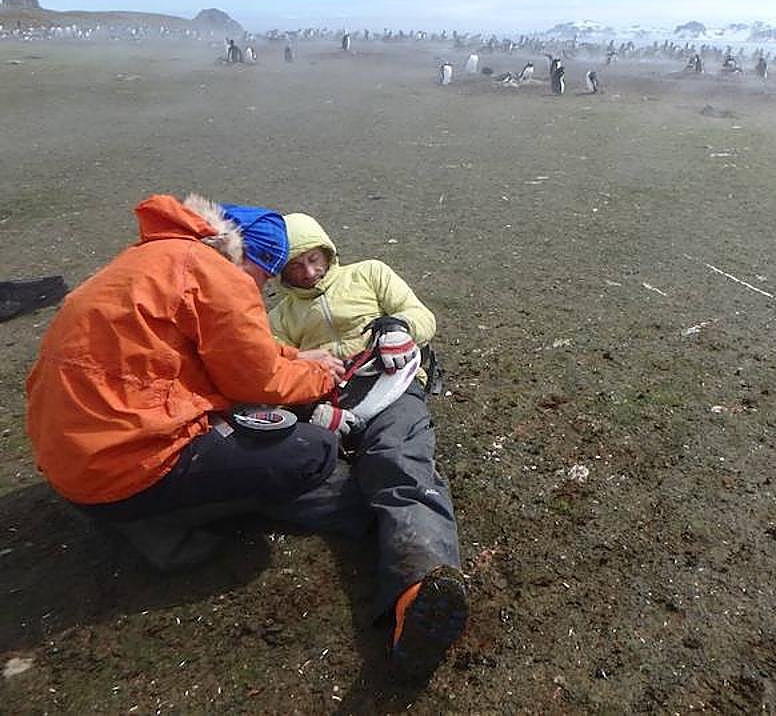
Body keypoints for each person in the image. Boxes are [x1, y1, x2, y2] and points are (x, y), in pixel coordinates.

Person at [25, 193, 357, 571]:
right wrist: (318, 374)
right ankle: (159, 522)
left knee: (248, 424)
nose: (260, 289)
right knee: (313, 451)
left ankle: (140, 511)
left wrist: (296, 357)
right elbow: (256, 382)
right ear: (249, 260)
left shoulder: (155, 257)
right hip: (124, 471)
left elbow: (219, 354)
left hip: (72, 459)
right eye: (264, 276)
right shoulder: (221, 276)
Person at [269, 213, 468, 682]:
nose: (309, 274)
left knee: (398, 461)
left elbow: (423, 316)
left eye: (314, 260)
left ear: (328, 251)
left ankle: (418, 597)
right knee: (283, 476)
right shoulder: (278, 319)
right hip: (327, 411)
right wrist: (309, 410)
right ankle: (389, 516)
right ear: (280, 272)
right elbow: (271, 377)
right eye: (294, 268)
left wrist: (400, 328)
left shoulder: (370, 273)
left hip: (393, 388)